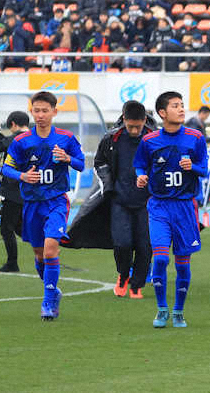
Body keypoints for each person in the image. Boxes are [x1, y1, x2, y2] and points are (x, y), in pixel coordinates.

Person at [0, 92, 86, 321]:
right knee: (39, 255)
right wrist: (22, 176)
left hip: (56, 201)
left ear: (54, 112)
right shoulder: (21, 141)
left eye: (45, 110)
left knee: (50, 250)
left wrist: (67, 158)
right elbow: (6, 168)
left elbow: (81, 164)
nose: (40, 115)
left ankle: (48, 301)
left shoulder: (66, 138)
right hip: (32, 203)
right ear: (32, 112)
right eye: (36, 110)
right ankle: (53, 290)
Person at [135, 92, 209, 328]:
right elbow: (139, 165)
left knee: (182, 263)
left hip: (185, 207)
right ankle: (161, 309)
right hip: (159, 206)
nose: (181, 109)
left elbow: (205, 169)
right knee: (160, 259)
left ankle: (178, 310)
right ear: (162, 113)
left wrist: (193, 166)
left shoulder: (195, 138)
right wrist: (141, 176)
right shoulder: (149, 141)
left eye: (182, 105)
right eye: (175, 106)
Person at [93, 101, 154, 298]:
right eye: (131, 126)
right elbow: (99, 163)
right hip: (119, 200)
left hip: (148, 203)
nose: (135, 130)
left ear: (144, 120)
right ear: (124, 119)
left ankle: (137, 285)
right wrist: (108, 186)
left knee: (145, 246)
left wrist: (152, 179)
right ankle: (123, 275)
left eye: (138, 126)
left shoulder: (155, 139)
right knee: (122, 243)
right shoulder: (111, 138)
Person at [0, 111, 31, 273]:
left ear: (14, 124)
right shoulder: (35, 138)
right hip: (29, 190)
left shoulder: (15, 139)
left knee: (6, 228)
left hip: (14, 191)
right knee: (18, 227)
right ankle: (45, 248)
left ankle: (12, 263)